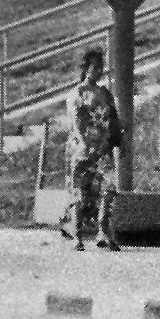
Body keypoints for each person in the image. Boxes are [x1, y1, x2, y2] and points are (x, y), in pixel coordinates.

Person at [60, 49, 121, 251]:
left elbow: (113, 119)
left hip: (102, 150)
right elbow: (77, 121)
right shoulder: (77, 93)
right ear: (86, 69)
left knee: (109, 187)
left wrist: (118, 140)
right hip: (82, 150)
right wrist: (85, 142)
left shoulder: (105, 93)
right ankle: (77, 235)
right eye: (95, 67)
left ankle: (103, 232)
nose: (99, 71)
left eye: (101, 67)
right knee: (80, 190)